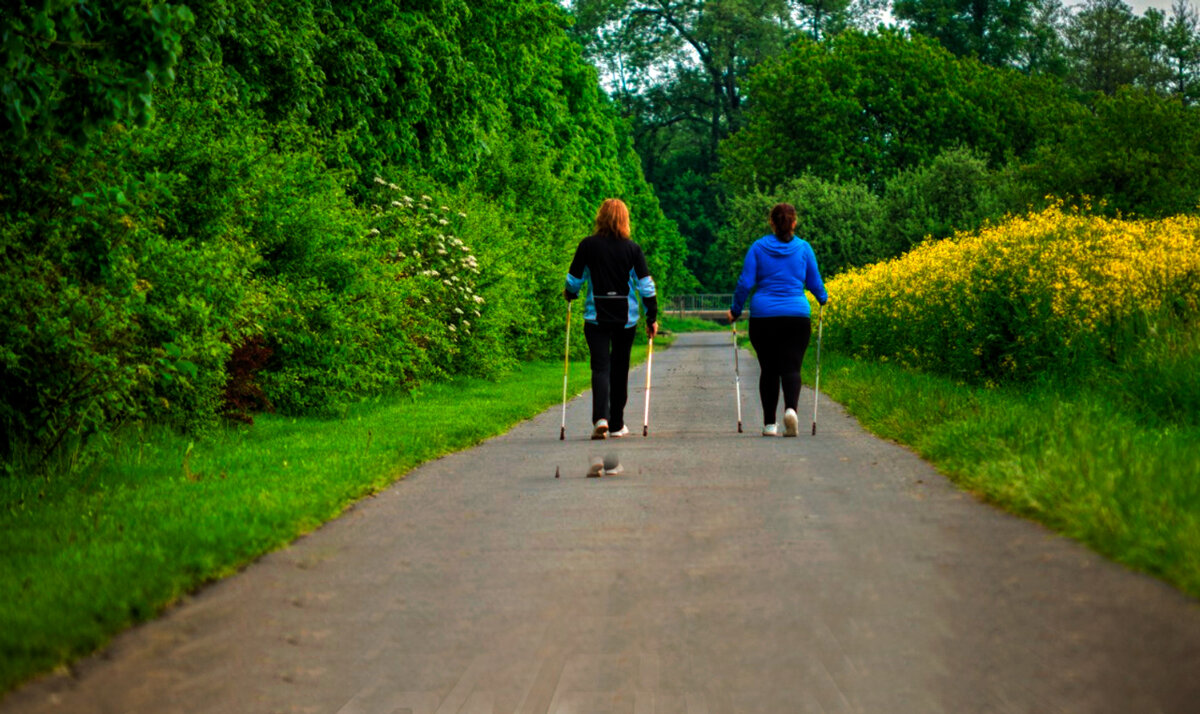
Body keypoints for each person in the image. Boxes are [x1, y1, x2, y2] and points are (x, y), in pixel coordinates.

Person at [726, 203, 827, 437]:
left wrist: (736, 309)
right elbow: (814, 282)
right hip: (797, 316)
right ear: (794, 223)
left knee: (769, 369)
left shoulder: (758, 248)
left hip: (764, 318)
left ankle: (770, 424)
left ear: (771, 222)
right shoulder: (803, 248)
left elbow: (745, 282)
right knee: (792, 367)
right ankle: (791, 410)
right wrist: (823, 298)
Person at [565, 198, 658, 440]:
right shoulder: (632, 249)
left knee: (600, 367)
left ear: (600, 218)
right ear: (625, 220)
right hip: (625, 319)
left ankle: (601, 418)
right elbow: (646, 286)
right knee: (620, 369)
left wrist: (570, 293)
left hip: (596, 318)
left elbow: (574, 280)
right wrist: (652, 316)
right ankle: (617, 424)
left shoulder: (588, 246)